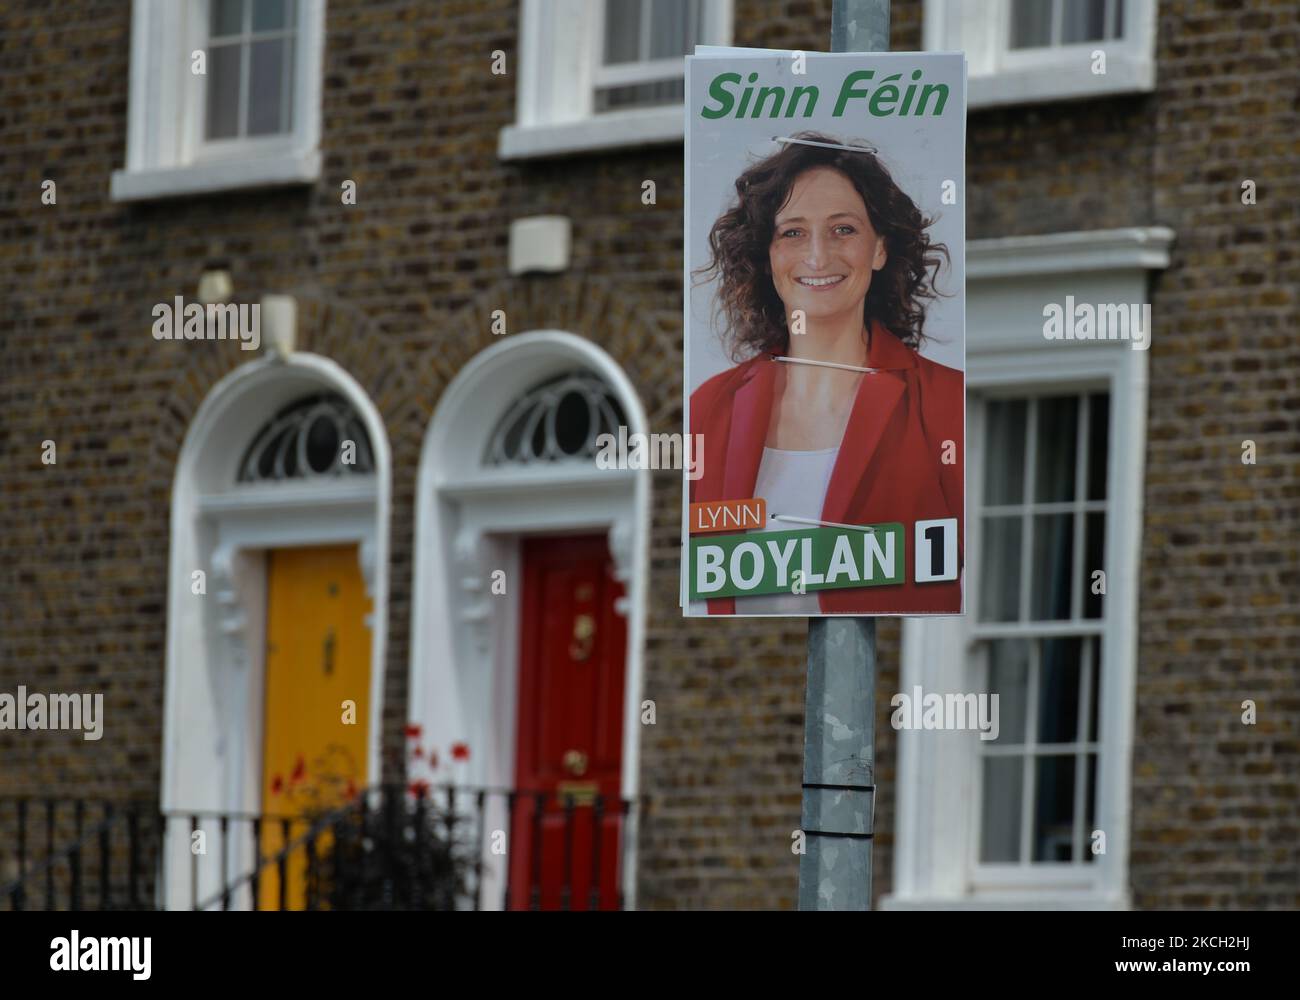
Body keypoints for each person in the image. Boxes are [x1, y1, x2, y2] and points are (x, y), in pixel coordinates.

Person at [689, 131, 963, 615]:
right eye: (792, 232)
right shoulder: (710, 409)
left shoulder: (945, 403)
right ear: (768, 256)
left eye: (844, 229)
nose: (818, 257)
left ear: (879, 249)